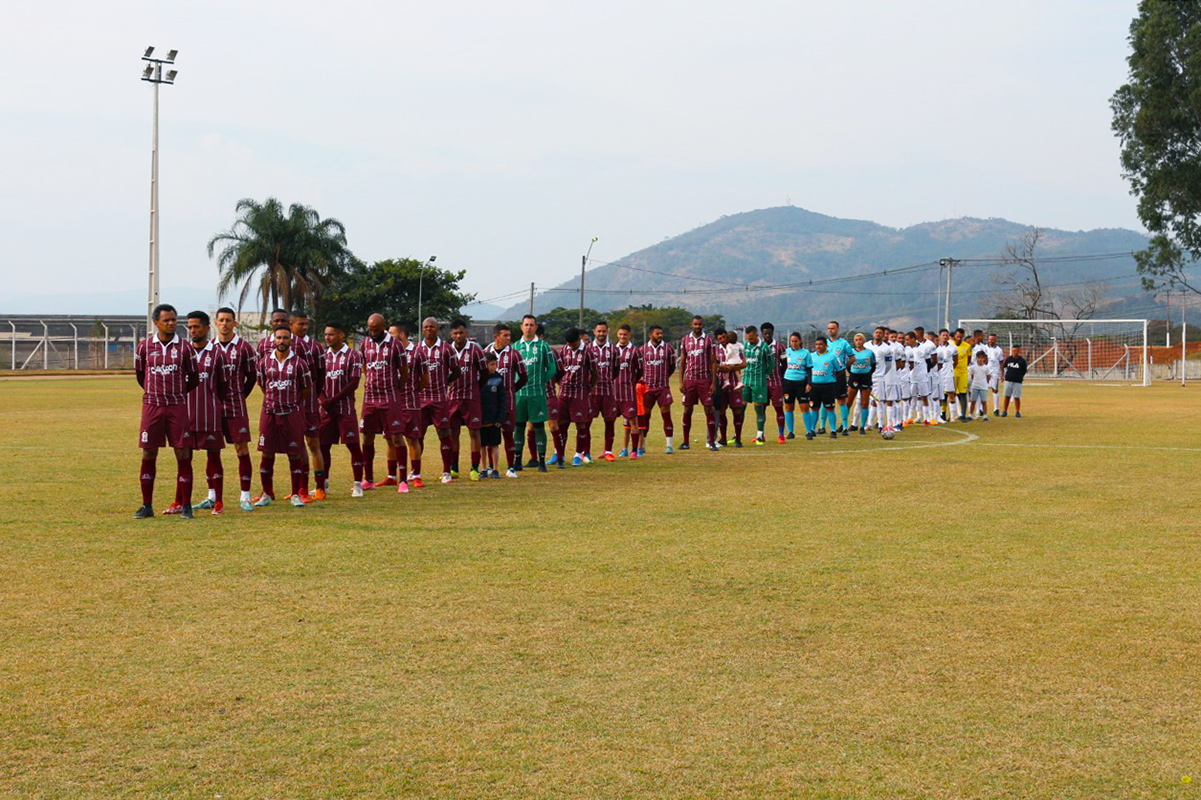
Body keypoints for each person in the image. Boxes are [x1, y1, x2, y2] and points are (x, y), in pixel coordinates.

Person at [134, 304, 198, 519]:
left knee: (182, 452)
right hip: (152, 407)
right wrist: (155, 394)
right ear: (156, 323)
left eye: (173, 320)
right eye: (166, 320)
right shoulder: (144, 347)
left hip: (177, 407)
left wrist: (176, 393)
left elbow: (194, 378)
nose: (171, 323)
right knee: (149, 452)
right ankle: (147, 505)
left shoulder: (185, 348)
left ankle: (186, 505)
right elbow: (141, 376)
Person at [255, 326, 312, 507]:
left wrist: (291, 402)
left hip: (291, 414)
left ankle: (295, 494)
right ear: (273, 340)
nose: (281, 341)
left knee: (294, 454)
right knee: (266, 453)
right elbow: (263, 386)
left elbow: (306, 389)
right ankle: (267, 494)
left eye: (285, 338)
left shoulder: (299, 363)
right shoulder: (264, 362)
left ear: (291, 340)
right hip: (270, 413)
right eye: (278, 338)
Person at [213, 307, 258, 512]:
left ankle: (245, 496)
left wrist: (240, 395)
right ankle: (212, 496)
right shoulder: (208, 348)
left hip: (236, 406)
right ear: (215, 323)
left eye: (228, 320)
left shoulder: (244, 348)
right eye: (221, 320)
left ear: (235, 323)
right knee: (212, 451)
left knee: (241, 449)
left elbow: (252, 377)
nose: (224, 323)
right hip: (212, 409)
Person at [184, 311, 229, 515]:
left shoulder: (218, 353)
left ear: (206, 328)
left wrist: (216, 405)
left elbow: (223, 386)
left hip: (209, 414)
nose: (193, 331)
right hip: (185, 415)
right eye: (190, 327)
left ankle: (217, 501)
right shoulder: (184, 351)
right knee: (184, 458)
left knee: (214, 457)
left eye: (197, 327)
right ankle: (181, 501)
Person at [359, 314, 409, 490]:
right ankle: (369, 479)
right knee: (367, 436)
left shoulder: (396, 345)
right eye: (370, 329)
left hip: (390, 397)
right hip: (370, 398)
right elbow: (365, 367)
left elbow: (404, 373)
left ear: (384, 327)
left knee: (396, 436)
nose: (372, 332)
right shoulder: (365, 343)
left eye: (376, 329)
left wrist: (396, 390)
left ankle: (403, 480)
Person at [319, 321, 366, 496]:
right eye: (325, 334)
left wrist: (333, 400)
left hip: (345, 410)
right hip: (326, 410)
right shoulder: (323, 356)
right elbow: (318, 382)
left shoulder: (353, 356)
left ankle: (357, 485)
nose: (327, 338)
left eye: (331, 334)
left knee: (353, 446)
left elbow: (353, 383)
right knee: (323, 447)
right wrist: (324, 400)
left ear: (341, 335)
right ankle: (323, 484)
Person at [417, 317, 463, 484]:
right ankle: (415, 472)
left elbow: (457, 371)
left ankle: (446, 472)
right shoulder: (416, 350)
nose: (429, 329)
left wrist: (445, 381)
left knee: (444, 434)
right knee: (417, 435)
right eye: (426, 327)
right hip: (421, 399)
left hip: (440, 398)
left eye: (432, 327)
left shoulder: (446, 349)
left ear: (437, 329)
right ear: (422, 330)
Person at [482, 323, 528, 477]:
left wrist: (512, 390)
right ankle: (490, 467)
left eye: (509, 335)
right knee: (489, 435)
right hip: (488, 403)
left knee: (508, 433)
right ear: (496, 337)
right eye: (505, 336)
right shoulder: (485, 352)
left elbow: (523, 377)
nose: (508, 338)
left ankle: (511, 467)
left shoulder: (514, 354)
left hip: (507, 401)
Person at [514, 315, 557, 472]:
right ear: (521, 327)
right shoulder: (515, 346)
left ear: (536, 327)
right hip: (519, 394)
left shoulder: (544, 346)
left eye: (532, 325)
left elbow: (552, 368)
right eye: (526, 324)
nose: (529, 327)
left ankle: (542, 462)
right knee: (518, 427)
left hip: (537, 394)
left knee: (539, 427)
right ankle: (517, 461)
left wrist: (541, 381)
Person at [289, 310, 325, 500]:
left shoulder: (315, 347)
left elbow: (320, 374)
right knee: (296, 446)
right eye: (300, 324)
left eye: (306, 324)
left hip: (309, 402)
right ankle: (300, 488)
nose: (304, 327)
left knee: (313, 443)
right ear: (291, 325)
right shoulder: (283, 345)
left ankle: (319, 487)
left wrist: (313, 395)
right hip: (290, 404)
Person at [448, 320, 487, 480]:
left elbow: (484, 373)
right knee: (453, 433)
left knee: (474, 432)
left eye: (461, 333)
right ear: (451, 334)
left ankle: (474, 468)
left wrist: (476, 388)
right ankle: (454, 468)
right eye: (456, 333)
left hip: (471, 398)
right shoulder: (447, 350)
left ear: (466, 333)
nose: (458, 336)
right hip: (452, 398)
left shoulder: (475, 350)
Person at [554, 327, 597, 468]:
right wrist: (560, 383)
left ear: (579, 339)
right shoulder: (564, 350)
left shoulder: (588, 352)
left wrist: (589, 387)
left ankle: (578, 455)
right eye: (569, 343)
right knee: (561, 424)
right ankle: (560, 454)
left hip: (580, 393)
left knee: (580, 424)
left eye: (573, 343)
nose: (571, 346)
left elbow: (594, 372)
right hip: (564, 393)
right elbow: (559, 370)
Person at [678, 315, 720, 451]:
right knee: (687, 409)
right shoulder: (685, 340)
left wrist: (713, 382)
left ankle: (712, 442)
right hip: (690, 380)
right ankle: (685, 442)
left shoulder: (709, 340)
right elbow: (682, 361)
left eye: (700, 324)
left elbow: (713, 362)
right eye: (695, 324)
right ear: (691, 325)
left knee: (709, 408)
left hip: (704, 379)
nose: (697, 327)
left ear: (703, 325)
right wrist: (681, 381)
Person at [638, 324, 675, 454]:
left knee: (666, 415)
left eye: (661, 333)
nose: (660, 336)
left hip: (662, 387)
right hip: (647, 388)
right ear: (650, 335)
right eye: (657, 333)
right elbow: (639, 368)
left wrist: (664, 378)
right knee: (645, 417)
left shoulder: (668, 349)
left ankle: (669, 445)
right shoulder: (642, 350)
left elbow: (672, 367)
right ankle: (642, 444)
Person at [588, 321, 621, 462]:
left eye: (604, 331)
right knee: (586, 422)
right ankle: (585, 452)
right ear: (594, 332)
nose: (601, 334)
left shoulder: (614, 350)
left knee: (609, 421)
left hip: (608, 391)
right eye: (599, 331)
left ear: (608, 332)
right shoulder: (588, 349)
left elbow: (616, 370)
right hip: (592, 392)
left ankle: (608, 451)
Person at [612, 323, 644, 459]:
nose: (622, 336)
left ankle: (634, 451)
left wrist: (631, 382)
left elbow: (640, 370)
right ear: (617, 335)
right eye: (620, 334)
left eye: (625, 334)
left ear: (629, 335)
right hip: (614, 392)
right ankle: (609, 450)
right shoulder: (613, 350)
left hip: (628, 392)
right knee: (610, 421)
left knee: (633, 422)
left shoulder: (635, 351)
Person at [740, 325, 773, 446]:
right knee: (740, 407)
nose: (750, 341)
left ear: (756, 335)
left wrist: (765, 375)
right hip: (745, 381)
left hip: (759, 382)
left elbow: (771, 363)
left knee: (758, 408)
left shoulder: (764, 348)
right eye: (748, 338)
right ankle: (738, 434)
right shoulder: (744, 346)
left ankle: (760, 434)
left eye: (752, 338)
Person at [478, 352, 507, 479]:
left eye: (495, 364)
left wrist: (500, 418)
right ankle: (483, 468)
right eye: (491, 364)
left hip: (494, 419)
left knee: (494, 445)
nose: (494, 367)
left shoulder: (499, 378)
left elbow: (502, 400)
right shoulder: (477, 379)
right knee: (482, 445)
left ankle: (495, 469)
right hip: (481, 419)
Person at [807, 336, 841, 439]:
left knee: (830, 408)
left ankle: (833, 430)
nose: (818, 346)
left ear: (826, 345)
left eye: (821, 344)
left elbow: (840, 370)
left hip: (828, 386)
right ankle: (812, 429)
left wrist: (833, 380)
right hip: (814, 386)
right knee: (814, 408)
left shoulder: (833, 356)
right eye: (817, 344)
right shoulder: (811, 356)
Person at [760, 322, 788, 443]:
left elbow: (785, 364)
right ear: (762, 333)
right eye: (765, 333)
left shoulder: (780, 347)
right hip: (761, 383)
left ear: (772, 333)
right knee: (761, 409)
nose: (767, 335)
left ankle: (781, 435)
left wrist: (779, 376)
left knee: (778, 408)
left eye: (769, 333)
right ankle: (761, 435)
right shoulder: (758, 346)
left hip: (776, 383)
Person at [825, 321, 854, 434]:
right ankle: (822, 427)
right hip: (826, 376)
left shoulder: (844, 343)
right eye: (829, 328)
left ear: (838, 329)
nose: (830, 330)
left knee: (841, 400)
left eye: (833, 328)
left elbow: (852, 358)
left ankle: (845, 427)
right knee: (825, 400)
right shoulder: (824, 343)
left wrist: (842, 367)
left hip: (839, 376)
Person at [864, 326, 894, 432]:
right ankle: (869, 424)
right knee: (868, 401)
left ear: (883, 335)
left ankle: (881, 425)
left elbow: (888, 365)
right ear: (873, 333)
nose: (878, 334)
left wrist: (881, 374)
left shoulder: (886, 348)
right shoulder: (866, 345)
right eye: (876, 332)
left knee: (879, 401)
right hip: (866, 377)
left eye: (880, 333)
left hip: (879, 378)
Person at [846, 333, 877, 435]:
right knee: (848, 403)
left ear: (863, 341)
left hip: (865, 379)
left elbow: (873, 366)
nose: (858, 341)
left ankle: (862, 426)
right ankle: (844, 425)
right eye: (856, 340)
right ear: (854, 341)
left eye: (860, 340)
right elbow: (848, 366)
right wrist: (853, 373)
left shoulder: (869, 353)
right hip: (854, 378)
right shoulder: (851, 353)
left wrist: (867, 374)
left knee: (864, 403)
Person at [782, 332, 811, 439]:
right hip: (788, 383)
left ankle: (808, 431)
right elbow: (782, 366)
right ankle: (790, 432)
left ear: (800, 341)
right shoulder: (786, 352)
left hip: (801, 383)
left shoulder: (806, 353)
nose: (793, 343)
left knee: (804, 407)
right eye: (792, 341)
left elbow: (809, 369)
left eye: (795, 341)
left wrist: (809, 383)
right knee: (789, 407)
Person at [1001, 345, 1028, 417]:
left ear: (1019, 351)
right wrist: (1003, 376)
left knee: (1016, 397)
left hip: (1017, 381)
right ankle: (1005, 411)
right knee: (1007, 396)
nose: (1014, 352)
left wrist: (1020, 377)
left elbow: (1024, 370)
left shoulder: (1022, 361)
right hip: (1008, 380)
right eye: (1013, 350)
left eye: (1016, 350)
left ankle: (1017, 412)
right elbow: (1004, 367)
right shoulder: (1009, 359)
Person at [952, 328, 972, 421]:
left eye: (960, 337)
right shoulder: (950, 345)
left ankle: (963, 415)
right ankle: (950, 415)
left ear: (963, 336)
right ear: (954, 336)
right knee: (951, 394)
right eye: (957, 336)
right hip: (952, 372)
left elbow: (969, 359)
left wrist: (963, 367)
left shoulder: (967, 346)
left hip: (963, 373)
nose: (959, 338)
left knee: (963, 394)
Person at [968, 351, 991, 420]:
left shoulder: (986, 368)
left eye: (982, 358)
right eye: (979, 358)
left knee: (984, 401)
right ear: (976, 358)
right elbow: (972, 376)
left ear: (984, 358)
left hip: (983, 386)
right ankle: (971, 415)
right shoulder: (973, 367)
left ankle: (985, 415)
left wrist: (985, 383)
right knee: (973, 401)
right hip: (975, 386)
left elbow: (988, 377)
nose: (980, 359)